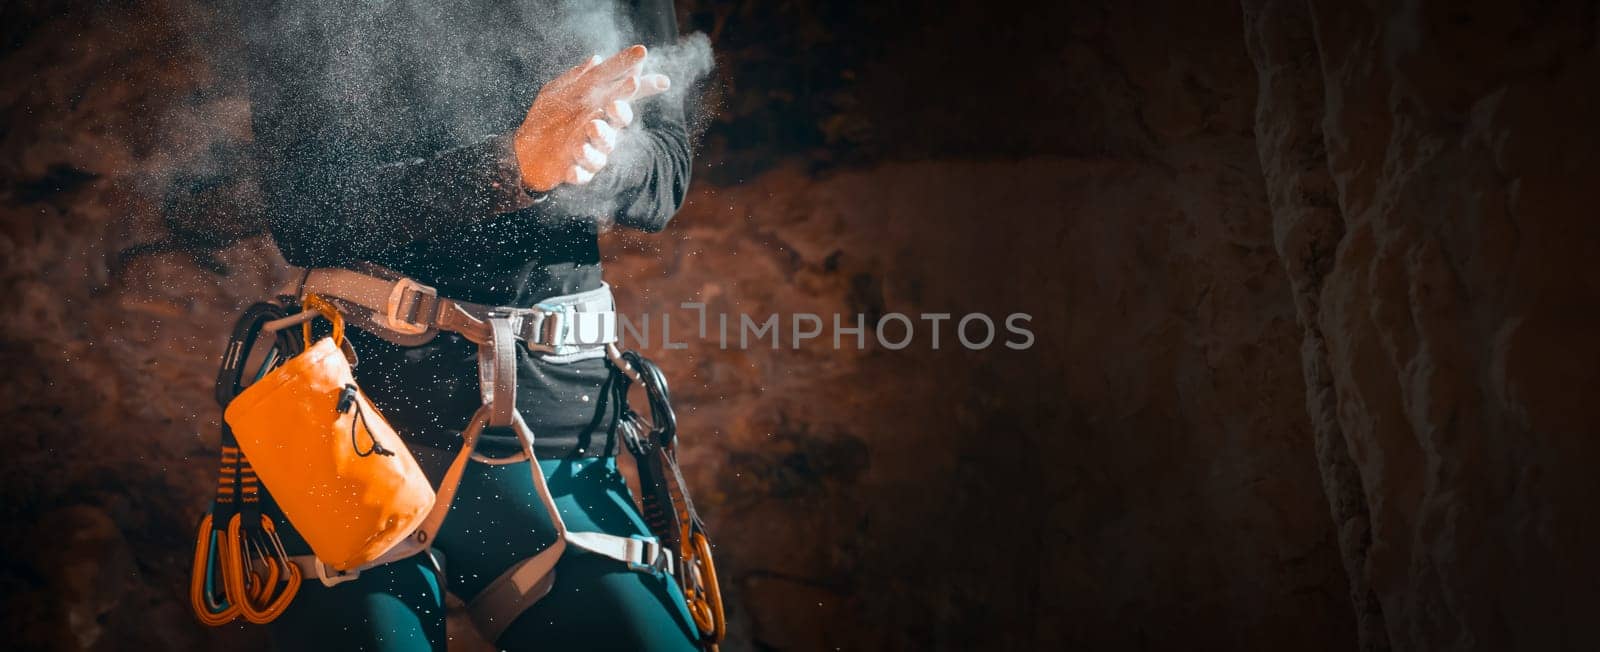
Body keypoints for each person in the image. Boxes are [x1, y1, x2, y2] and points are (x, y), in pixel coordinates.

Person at [237, 1, 698, 649]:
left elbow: (667, 174)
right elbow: (304, 211)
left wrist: (603, 149)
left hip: (555, 433)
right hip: (352, 427)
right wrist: (514, 165)